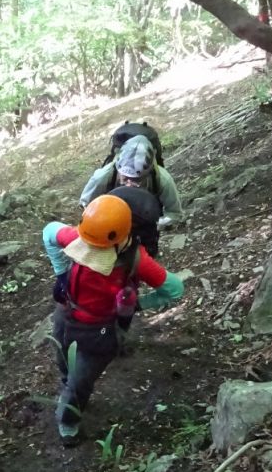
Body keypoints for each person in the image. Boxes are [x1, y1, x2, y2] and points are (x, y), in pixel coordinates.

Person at [42, 191, 185, 447]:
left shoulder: (137, 259)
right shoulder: (84, 234)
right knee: (62, 358)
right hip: (67, 312)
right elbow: (49, 232)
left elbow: (175, 288)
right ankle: (67, 383)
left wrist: (138, 305)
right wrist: (61, 274)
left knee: (81, 380)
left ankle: (68, 423)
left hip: (102, 328)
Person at [79, 134, 184, 227]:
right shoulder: (102, 177)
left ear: (148, 172)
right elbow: (85, 204)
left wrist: (153, 224)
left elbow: (174, 214)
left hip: (144, 217)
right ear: (118, 170)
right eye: (125, 178)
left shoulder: (163, 179)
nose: (129, 184)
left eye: (136, 179)